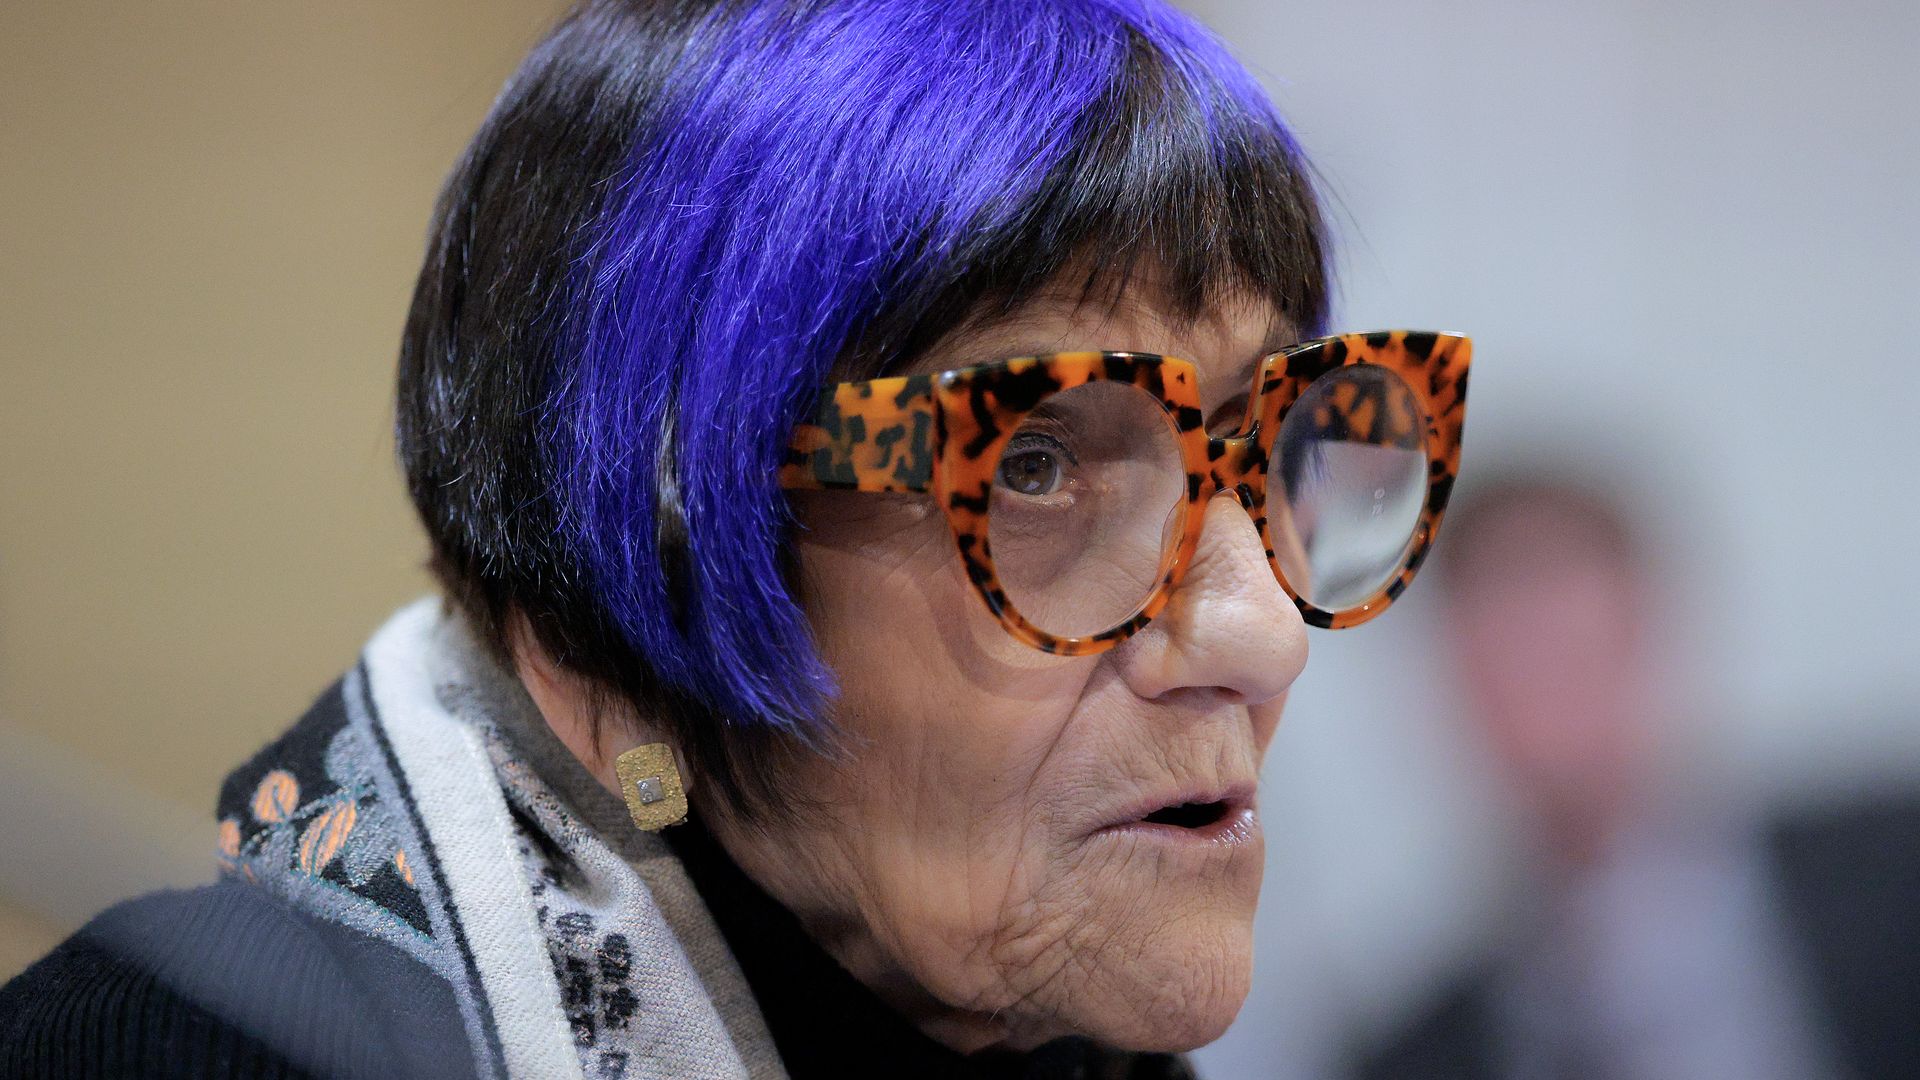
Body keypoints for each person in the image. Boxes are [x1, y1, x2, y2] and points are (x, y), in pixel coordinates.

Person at [0, 1, 1472, 1076]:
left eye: (1264, 441)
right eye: (1035, 460)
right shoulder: (170, 1056)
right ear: (653, 532)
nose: (1258, 632)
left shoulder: (1068, 1051)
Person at [1347, 474, 1850, 1080]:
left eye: (1571, 653)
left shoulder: (1895, 881)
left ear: (1648, 635)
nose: (1545, 706)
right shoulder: (1410, 1053)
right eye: (1508, 661)